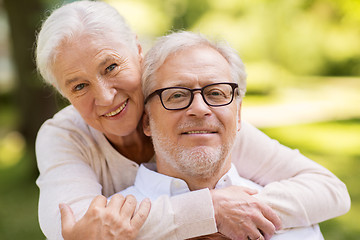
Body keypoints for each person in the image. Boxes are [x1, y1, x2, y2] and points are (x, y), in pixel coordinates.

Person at [35, 1, 350, 239]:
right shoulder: (64, 136)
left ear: (138, 51)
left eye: (111, 67)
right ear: (62, 93)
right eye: (79, 86)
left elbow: (328, 190)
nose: (105, 97)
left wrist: (243, 214)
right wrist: (210, 211)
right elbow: (74, 227)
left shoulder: (191, 114)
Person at [118, 31, 328, 240]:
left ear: (238, 115)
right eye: (178, 95)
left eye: (216, 93)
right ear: (147, 121)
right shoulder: (108, 226)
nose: (199, 109)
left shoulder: (296, 223)